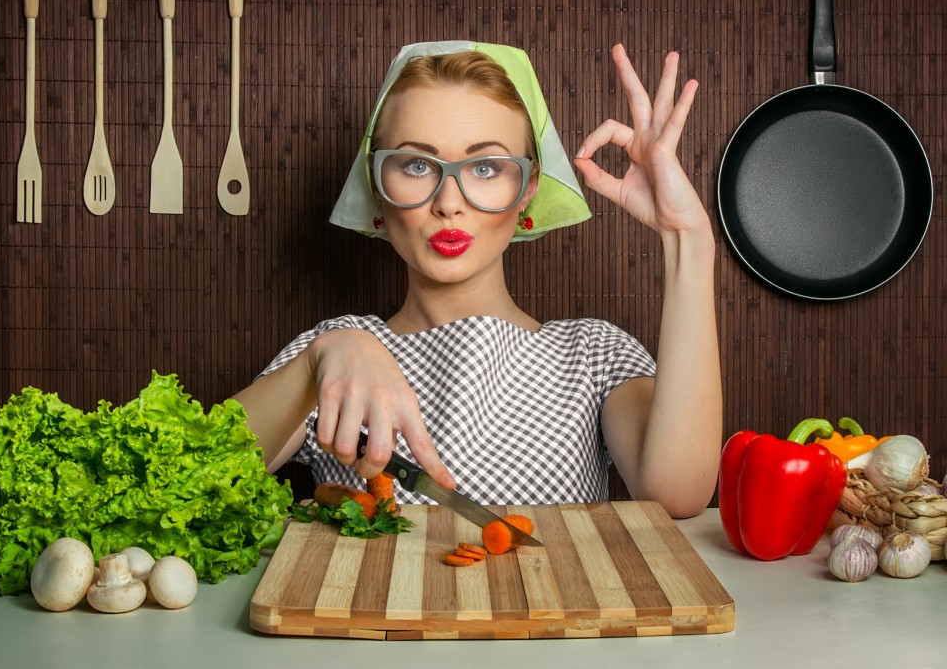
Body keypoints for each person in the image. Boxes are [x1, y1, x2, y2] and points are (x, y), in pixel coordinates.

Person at [232, 40, 721, 518]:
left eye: (486, 167)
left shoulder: (592, 355)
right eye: (416, 164)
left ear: (528, 186)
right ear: (376, 184)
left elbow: (678, 494)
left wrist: (688, 238)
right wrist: (320, 358)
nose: (449, 201)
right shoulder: (331, 354)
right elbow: (186, 483)